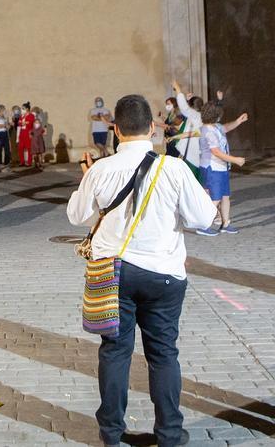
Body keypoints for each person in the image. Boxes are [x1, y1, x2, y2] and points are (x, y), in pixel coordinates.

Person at [66, 94, 218, 447]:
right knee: (163, 353)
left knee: (115, 351)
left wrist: (87, 179)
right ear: (152, 128)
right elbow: (203, 218)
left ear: (115, 130)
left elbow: (76, 215)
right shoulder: (174, 168)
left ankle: (111, 433)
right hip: (163, 272)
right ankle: (169, 433)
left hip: (112, 272)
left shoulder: (101, 169)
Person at [194, 104, 249, 236]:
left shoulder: (215, 127)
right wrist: (235, 160)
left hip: (221, 167)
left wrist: (238, 121)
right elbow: (216, 152)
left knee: (225, 197)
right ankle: (204, 225)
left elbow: (225, 128)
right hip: (212, 168)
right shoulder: (209, 132)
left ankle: (225, 224)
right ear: (216, 116)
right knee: (215, 198)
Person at [17, 102, 36, 167]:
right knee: (20, 148)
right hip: (22, 133)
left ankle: (29, 162)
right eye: (21, 108)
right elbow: (19, 123)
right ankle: (22, 161)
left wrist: (23, 122)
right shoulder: (21, 116)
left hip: (28, 133)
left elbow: (30, 123)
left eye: (23, 108)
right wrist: (24, 122)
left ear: (27, 109)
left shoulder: (31, 115)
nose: (21, 110)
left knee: (29, 148)